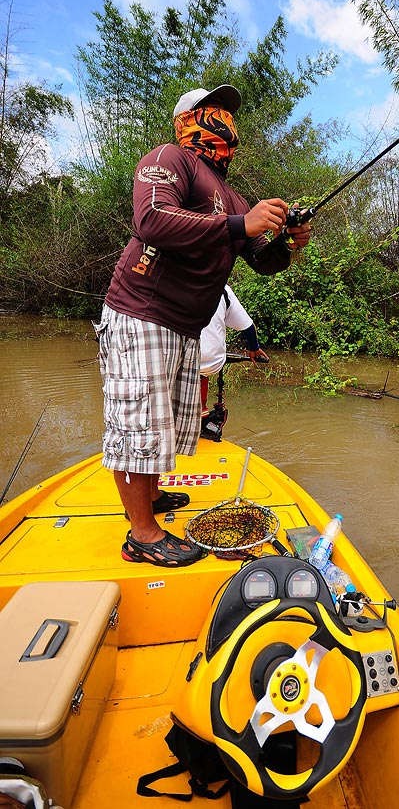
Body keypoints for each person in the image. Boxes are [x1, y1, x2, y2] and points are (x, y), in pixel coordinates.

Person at [93, 83, 311, 567]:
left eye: (228, 115)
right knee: (137, 425)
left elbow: (262, 260)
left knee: (160, 424)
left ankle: (147, 500)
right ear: (188, 119)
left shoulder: (233, 195)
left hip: (183, 326)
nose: (223, 121)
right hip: (140, 310)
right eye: (212, 111)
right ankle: (142, 536)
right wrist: (241, 225)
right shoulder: (169, 157)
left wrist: (288, 242)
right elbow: (152, 220)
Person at [199, 283, 269, 419]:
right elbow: (248, 326)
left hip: (182, 360)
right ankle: (202, 408)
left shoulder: (173, 280)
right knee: (200, 369)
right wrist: (254, 348)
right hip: (214, 362)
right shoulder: (222, 287)